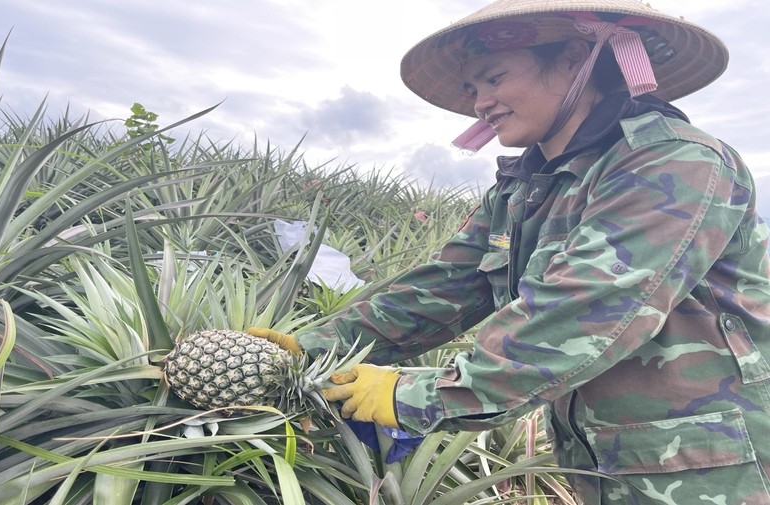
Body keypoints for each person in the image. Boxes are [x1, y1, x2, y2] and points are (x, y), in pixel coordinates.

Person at [250, 0, 770, 502]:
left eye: (495, 78)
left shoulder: (672, 162)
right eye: (473, 87)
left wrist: (419, 395)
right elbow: (443, 287)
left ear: (574, 61)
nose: (480, 103)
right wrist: (313, 346)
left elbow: (588, 306)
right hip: (604, 458)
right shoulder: (520, 188)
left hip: (719, 465)